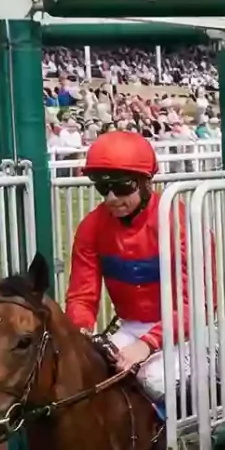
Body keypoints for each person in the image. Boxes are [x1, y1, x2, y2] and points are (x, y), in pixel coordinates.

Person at [63, 131, 183, 399]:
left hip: (186, 332)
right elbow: (82, 296)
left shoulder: (179, 221)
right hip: (130, 328)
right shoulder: (91, 227)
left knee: (154, 381)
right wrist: (80, 332)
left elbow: (195, 303)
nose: (111, 198)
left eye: (122, 186)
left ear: (146, 182)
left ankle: (184, 440)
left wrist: (147, 344)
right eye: (103, 188)